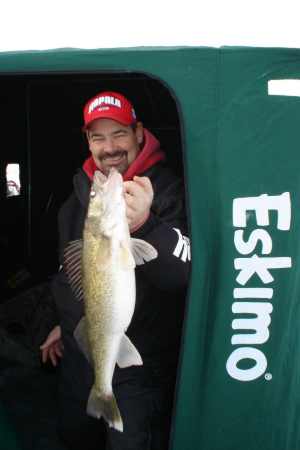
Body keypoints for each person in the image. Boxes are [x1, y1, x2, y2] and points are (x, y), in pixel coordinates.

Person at [40, 91, 190, 450]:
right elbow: (71, 275)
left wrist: (145, 226)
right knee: (75, 438)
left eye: (119, 133)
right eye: (98, 137)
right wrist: (65, 322)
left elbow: (183, 276)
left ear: (139, 132)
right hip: (82, 356)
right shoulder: (74, 202)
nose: (109, 148)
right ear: (87, 141)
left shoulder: (170, 190)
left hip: (142, 367)